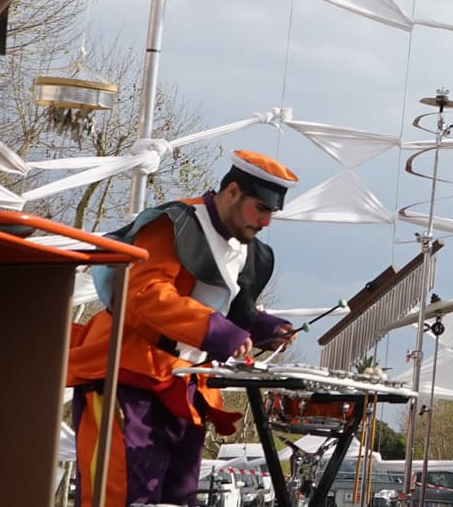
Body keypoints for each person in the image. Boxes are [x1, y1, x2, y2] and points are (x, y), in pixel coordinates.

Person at [69, 149, 300, 506]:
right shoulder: (174, 223)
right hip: (128, 376)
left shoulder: (248, 250)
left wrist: (268, 329)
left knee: (178, 499)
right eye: (262, 208)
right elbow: (146, 295)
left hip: (185, 388)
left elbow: (236, 312)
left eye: (272, 213)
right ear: (232, 192)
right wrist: (217, 331)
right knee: (121, 494)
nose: (266, 222)